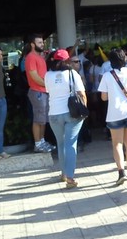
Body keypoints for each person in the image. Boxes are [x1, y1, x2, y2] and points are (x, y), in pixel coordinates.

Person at [98, 48, 127, 185]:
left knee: (116, 143)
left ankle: (120, 172)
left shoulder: (107, 76)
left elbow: (104, 97)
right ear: (125, 59)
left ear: (110, 61)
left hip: (114, 113)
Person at [44, 49, 86, 188]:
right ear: (67, 61)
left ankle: (63, 174)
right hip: (72, 113)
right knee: (70, 144)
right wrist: (84, 110)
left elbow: (49, 91)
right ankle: (70, 177)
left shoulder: (48, 75)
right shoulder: (72, 73)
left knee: (61, 144)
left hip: (54, 114)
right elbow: (81, 93)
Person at [25, 33, 54, 153]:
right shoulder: (31, 57)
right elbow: (34, 76)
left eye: (42, 42)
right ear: (32, 44)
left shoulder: (39, 57)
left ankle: (42, 142)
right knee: (38, 119)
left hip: (43, 91)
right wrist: (47, 85)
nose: (42, 44)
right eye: (39, 42)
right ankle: (38, 143)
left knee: (43, 119)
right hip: (37, 91)